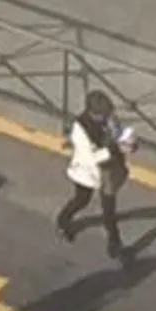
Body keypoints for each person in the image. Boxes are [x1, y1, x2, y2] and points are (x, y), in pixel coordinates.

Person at [56, 90, 135, 261]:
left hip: (108, 171)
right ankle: (63, 220)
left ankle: (114, 244)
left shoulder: (109, 118)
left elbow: (119, 133)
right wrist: (115, 149)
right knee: (81, 200)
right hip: (87, 172)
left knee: (109, 210)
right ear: (93, 113)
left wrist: (129, 144)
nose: (108, 118)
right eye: (104, 115)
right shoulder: (81, 130)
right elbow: (92, 158)